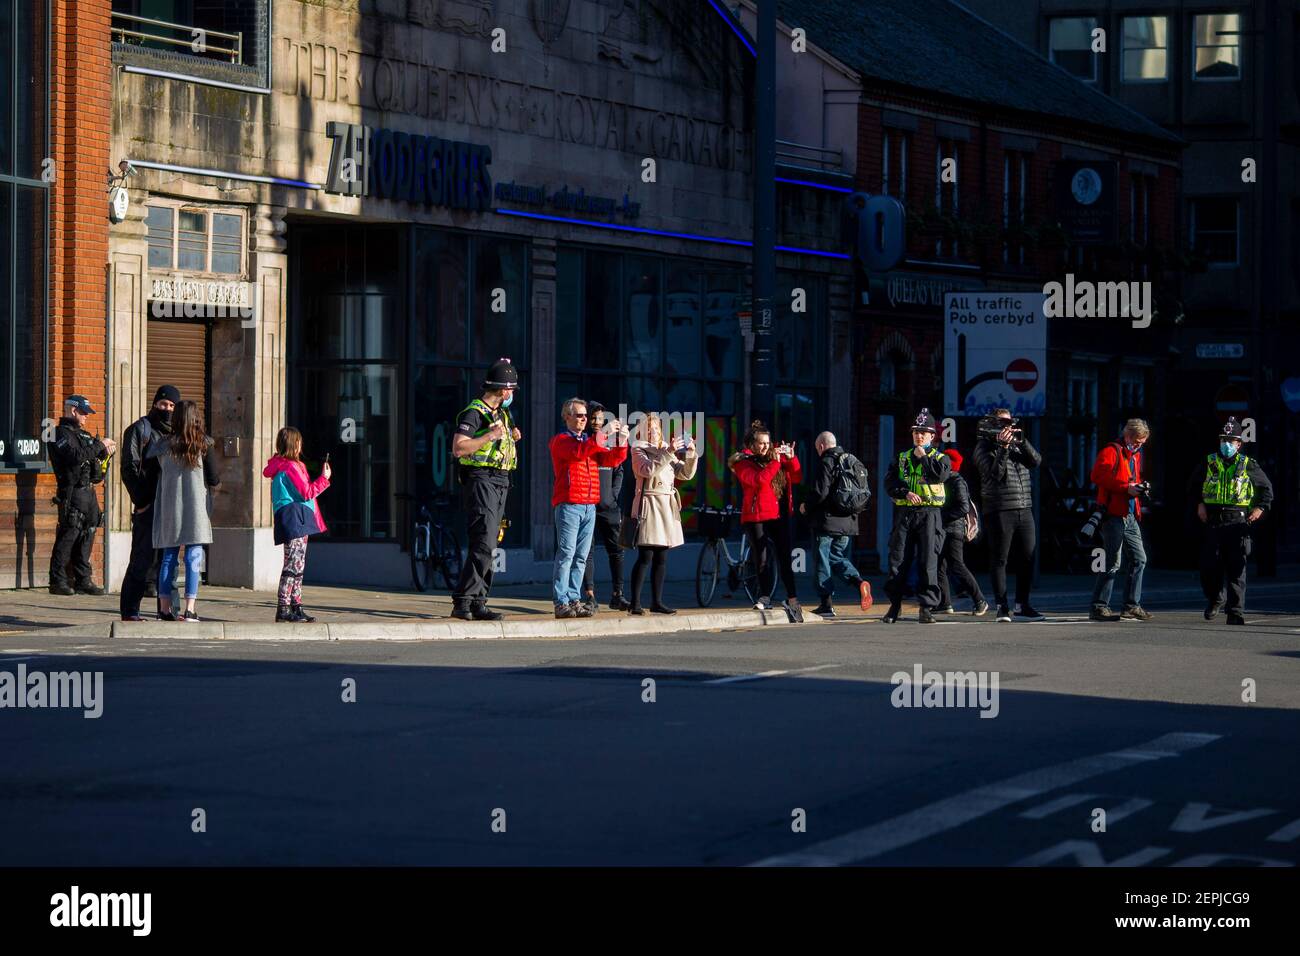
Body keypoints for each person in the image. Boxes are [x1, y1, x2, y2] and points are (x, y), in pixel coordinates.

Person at [450, 358, 522, 622]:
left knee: (492, 543)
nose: (512, 394)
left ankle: (479, 601)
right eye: (511, 390)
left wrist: (511, 436)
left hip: (501, 480)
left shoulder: (501, 413)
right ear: (503, 390)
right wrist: (489, 437)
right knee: (484, 540)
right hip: (481, 480)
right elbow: (459, 448)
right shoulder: (475, 412)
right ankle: (463, 601)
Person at [549, 397, 629, 619]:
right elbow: (579, 452)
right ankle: (561, 601)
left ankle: (574, 599)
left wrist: (622, 440)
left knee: (581, 556)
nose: (584, 419)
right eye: (579, 415)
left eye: (586, 415)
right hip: (570, 504)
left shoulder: (589, 440)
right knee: (566, 554)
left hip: (589, 505)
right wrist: (602, 436)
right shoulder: (561, 440)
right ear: (567, 417)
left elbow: (612, 459)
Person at [1191, 417, 1273, 625]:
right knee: (1209, 567)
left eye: (1231, 440)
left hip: (1237, 520)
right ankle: (1216, 597)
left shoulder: (1248, 464)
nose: (1226, 443)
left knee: (1237, 568)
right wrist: (1199, 504)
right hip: (1213, 520)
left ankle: (1235, 611)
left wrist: (1260, 508)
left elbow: (1266, 489)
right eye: (1223, 439)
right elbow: (1193, 486)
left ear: (1239, 444)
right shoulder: (1209, 461)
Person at [147, 400, 220, 622]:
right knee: (193, 555)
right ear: (196, 418)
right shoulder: (204, 445)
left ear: (176, 418)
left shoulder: (162, 446)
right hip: (195, 506)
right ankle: (190, 609)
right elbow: (214, 478)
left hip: (169, 505)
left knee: (168, 557)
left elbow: (152, 474)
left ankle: (164, 609)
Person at [973, 407, 1043, 623]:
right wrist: (1003, 448)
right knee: (1000, 558)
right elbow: (995, 475)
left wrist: (1021, 441)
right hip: (1000, 508)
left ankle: (1023, 604)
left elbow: (1036, 461)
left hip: (1024, 507)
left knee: (1027, 557)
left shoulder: (1016, 442)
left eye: (1010, 423)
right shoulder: (982, 448)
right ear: (993, 425)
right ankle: (1002, 606)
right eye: (1004, 423)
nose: (1008, 427)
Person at [730, 420, 804, 621]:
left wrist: (791, 458)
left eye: (767, 443)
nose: (764, 446)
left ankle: (792, 598)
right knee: (761, 558)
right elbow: (759, 481)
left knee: (784, 558)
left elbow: (796, 477)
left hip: (778, 515)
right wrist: (778, 461)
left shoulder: (775, 459)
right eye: (760, 443)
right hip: (756, 516)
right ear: (752, 444)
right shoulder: (743, 462)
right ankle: (764, 596)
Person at [118, 385, 178, 620]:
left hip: (171, 505)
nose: (167, 409)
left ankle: (169, 610)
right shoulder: (139, 430)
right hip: (149, 505)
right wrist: (141, 500)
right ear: (154, 404)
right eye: (163, 404)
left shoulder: (175, 433)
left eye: (172, 406)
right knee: (142, 560)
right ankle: (130, 610)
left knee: (169, 560)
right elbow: (129, 468)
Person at [627, 414, 697, 615]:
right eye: (649, 429)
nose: (653, 432)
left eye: (656, 429)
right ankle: (635, 603)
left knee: (662, 557)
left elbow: (683, 474)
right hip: (649, 504)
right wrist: (669, 451)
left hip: (666, 505)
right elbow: (647, 470)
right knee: (645, 556)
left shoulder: (665, 449)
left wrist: (691, 454)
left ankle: (657, 602)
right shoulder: (638, 449)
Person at [48, 395, 116, 596]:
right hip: (71, 491)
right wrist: (99, 446)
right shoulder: (58, 433)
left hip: (88, 492)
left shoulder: (83, 435)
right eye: (84, 413)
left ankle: (83, 580)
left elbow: (95, 469)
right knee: (69, 535)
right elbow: (76, 457)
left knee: (88, 533)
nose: (87, 417)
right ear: (73, 410)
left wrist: (105, 455)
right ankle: (57, 581)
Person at [800, 431, 872, 618]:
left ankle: (826, 603)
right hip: (848, 522)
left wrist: (805, 506)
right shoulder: (852, 461)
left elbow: (820, 492)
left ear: (821, 446)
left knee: (822, 560)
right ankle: (859, 582)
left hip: (826, 521)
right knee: (836, 557)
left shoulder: (826, 462)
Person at [264, 427, 332, 623]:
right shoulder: (291, 467)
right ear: (294, 444)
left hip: (293, 517)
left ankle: (295, 606)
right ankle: (284, 607)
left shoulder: (283, 466)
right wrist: (324, 479)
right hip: (295, 517)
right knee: (294, 564)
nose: (301, 445)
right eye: (299, 441)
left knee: (297, 564)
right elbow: (307, 492)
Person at [1088, 419, 1152, 622]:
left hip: (1130, 513)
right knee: (1112, 561)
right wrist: (1126, 487)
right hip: (1113, 514)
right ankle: (1099, 606)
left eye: (1143, 442)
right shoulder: (1112, 451)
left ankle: (1131, 606)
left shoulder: (1135, 454)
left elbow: (1130, 479)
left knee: (1139, 558)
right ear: (1129, 436)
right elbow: (1097, 476)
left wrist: (1139, 487)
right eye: (1139, 441)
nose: (1140, 445)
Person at [581, 401, 630, 611]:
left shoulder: (608, 441)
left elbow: (618, 467)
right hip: (587, 504)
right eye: (593, 418)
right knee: (586, 552)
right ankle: (589, 595)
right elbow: (588, 450)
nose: (596, 422)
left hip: (608, 506)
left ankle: (618, 594)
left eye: (600, 418)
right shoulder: (584, 441)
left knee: (617, 551)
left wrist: (612, 496)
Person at [936, 448, 988, 616]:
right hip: (945, 529)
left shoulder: (957, 481)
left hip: (953, 530)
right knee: (939, 567)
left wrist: (942, 516)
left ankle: (980, 600)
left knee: (957, 565)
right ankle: (945, 603)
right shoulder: (945, 480)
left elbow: (963, 507)